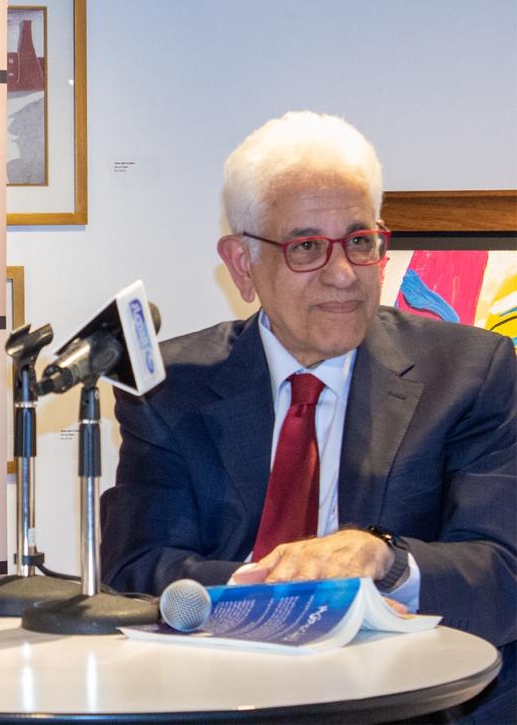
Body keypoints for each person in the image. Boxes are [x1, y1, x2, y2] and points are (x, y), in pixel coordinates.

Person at [101, 111, 515, 721]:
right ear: (242, 264)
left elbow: (503, 571)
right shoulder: (170, 387)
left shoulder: (469, 372)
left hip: (407, 701)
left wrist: (385, 560)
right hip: (222, 696)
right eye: (306, 248)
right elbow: (137, 568)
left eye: (359, 242)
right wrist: (279, 591)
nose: (343, 275)